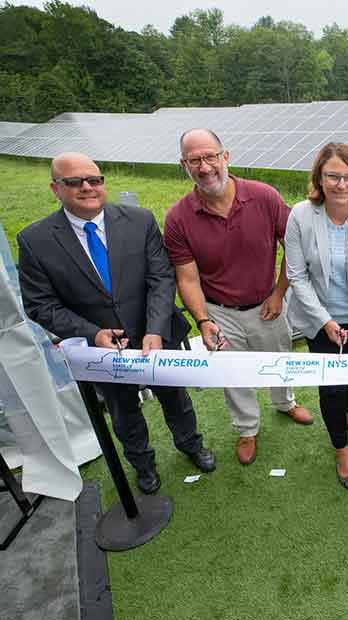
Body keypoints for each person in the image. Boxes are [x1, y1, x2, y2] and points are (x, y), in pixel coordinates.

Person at [17, 152, 215, 494]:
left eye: (94, 179)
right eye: (74, 181)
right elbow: (40, 305)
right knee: (123, 413)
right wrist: (92, 334)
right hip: (102, 351)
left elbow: (161, 278)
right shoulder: (35, 241)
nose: (87, 187)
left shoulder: (140, 220)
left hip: (157, 336)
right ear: (55, 188)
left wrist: (154, 330)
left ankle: (191, 445)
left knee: (176, 399)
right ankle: (143, 465)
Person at [164, 128, 313, 467]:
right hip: (218, 312)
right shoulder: (178, 218)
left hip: (267, 303)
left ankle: (285, 403)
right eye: (194, 161)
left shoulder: (264, 196)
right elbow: (187, 278)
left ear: (225, 156)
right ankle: (247, 428)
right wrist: (203, 320)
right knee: (231, 373)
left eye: (210, 157)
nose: (205, 167)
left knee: (280, 359)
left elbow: (294, 248)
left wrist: (279, 293)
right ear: (184, 165)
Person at [285, 143, 348, 492]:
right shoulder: (301, 215)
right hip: (320, 321)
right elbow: (297, 275)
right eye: (333, 176)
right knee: (331, 388)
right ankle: (341, 448)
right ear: (320, 177)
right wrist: (324, 321)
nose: (341, 184)